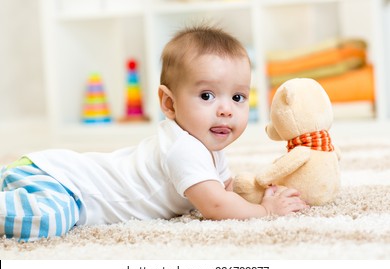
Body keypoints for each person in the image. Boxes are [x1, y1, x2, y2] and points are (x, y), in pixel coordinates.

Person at [0, 25, 308, 242]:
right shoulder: (183, 149)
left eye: (238, 98)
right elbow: (216, 206)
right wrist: (265, 210)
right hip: (65, 186)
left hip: (51, 174)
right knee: (47, 221)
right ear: (169, 103)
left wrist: (255, 193)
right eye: (206, 96)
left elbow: (222, 191)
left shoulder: (208, 148)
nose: (226, 110)